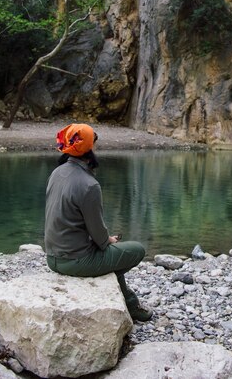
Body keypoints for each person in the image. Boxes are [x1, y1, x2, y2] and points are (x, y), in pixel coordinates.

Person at [44, 122, 152, 322]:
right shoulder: (89, 185)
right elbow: (98, 233)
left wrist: (102, 240)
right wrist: (106, 240)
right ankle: (130, 305)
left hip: (52, 258)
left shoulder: (56, 173)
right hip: (75, 261)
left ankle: (129, 303)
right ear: (89, 149)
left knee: (111, 257)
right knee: (136, 250)